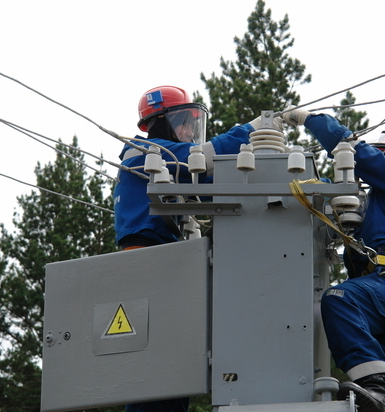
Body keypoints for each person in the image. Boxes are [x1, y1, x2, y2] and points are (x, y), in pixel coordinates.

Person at [114, 85, 282, 412]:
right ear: (160, 121)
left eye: (194, 123)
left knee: (176, 372)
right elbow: (199, 159)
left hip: (167, 260)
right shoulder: (141, 150)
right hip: (147, 259)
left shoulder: (166, 164)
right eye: (184, 122)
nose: (190, 131)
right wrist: (250, 130)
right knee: (155, 373)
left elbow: (209, 188)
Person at [283, 107, 385, 412]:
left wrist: (309, 119)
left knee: (341, 299)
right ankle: (381, 395)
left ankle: (373, 388)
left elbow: (354, 150)